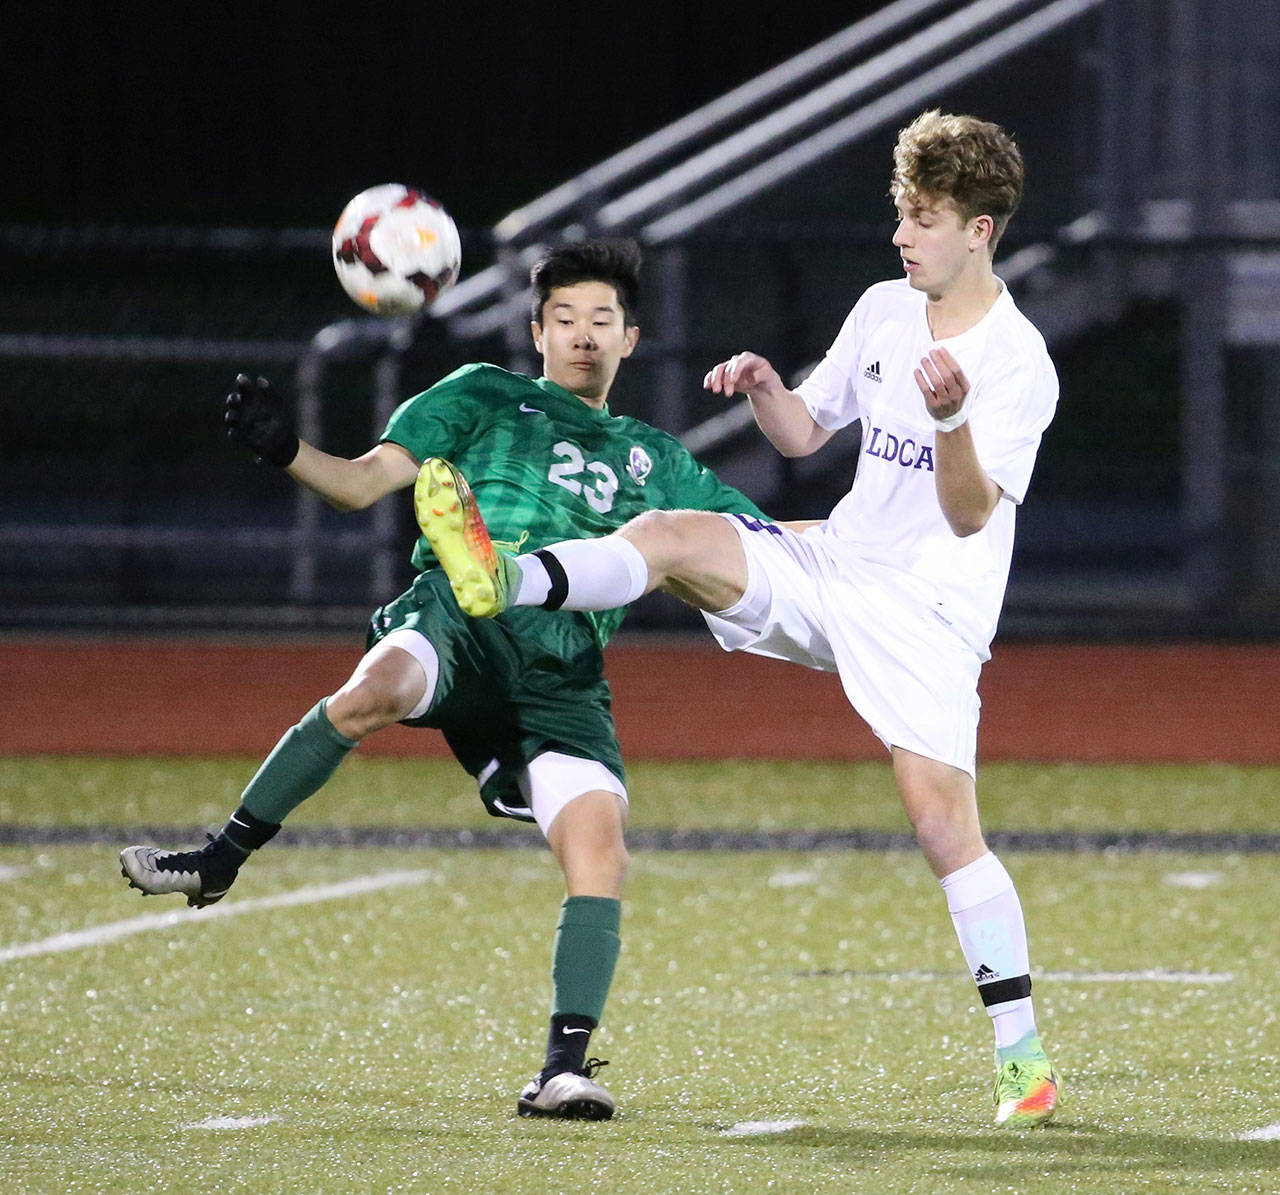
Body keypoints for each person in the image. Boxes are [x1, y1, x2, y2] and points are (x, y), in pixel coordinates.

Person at [418, 111, 1062, 1128]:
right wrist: (767, 388)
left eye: (925, 219)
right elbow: (805, 432)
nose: (901, 234)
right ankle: (507, 578)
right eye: (900, 212)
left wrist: (949, 420)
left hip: (928, 611)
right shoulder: (884, 308)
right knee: (672, 534)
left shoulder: (1018, 360)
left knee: (943, 827)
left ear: (979, 231)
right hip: (836, 563)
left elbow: (969, 513)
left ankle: (1020, 1059)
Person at [119, 237, 766, 1121]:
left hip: (562, 667)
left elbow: (763, 545)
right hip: (461, 613)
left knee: (600, 848)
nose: (583, 335)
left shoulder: (662, 460)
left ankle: (562, 1069)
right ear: (537, 333)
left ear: (631, 339)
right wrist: (287, 450)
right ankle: (217, 860)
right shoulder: (481, 394)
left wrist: (873, 545)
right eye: (565, 318)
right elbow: (358, 485)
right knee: (373, 691)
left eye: (602, 320)